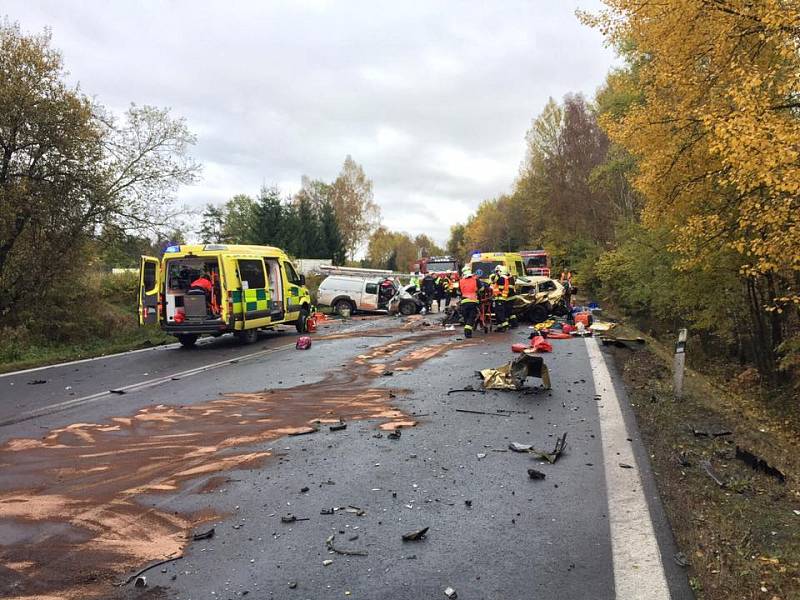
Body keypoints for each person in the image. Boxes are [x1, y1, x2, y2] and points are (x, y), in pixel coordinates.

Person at [459, 266, 488, 338]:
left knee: (466, 317)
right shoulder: (475, 280)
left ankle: (467, 328)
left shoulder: (461, 281)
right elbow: (481, 289)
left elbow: (459, 291)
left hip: (464, 302)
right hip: (473, 301)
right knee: (471, 317)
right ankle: (468, 332)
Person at [491, 266, 514, 331]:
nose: (497, 273)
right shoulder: (504, 278)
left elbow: (500, 288)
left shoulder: (501, 279)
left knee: (500, 313)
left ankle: (505, 325)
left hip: (500, 298)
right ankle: (500, 327)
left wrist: (495, 292)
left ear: (501, 271)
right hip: (500, 298)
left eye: (498, 271)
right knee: (498, 313)